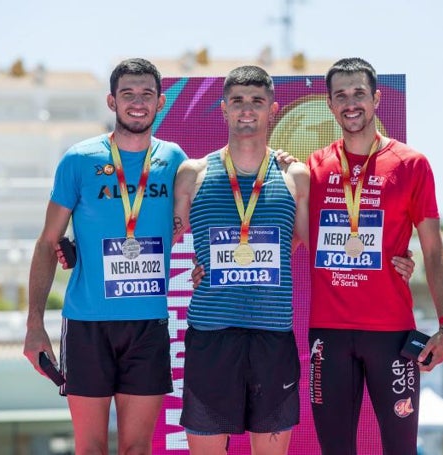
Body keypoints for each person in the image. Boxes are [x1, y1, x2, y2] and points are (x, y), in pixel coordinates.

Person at [23, 58, 187, 455]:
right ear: (111, 101)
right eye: (127, 94)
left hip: (147, 324)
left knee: (136, 448)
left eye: (147, 94)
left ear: (161, 102)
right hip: (87, 324)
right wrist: (34, 325)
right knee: (91, 447)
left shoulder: (177, 160)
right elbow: (48, 242)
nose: (137, 102)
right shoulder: (79, 160)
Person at [307, 57, 443, 454]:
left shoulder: (411, 164)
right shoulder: (312, 168)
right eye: (341, 95)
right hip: (329, 334)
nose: (350, 103)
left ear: (377, 99)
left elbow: (434, 250)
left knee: (401, 449)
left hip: (391, 333)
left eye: (359, 93)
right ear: (330, 104)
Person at [172, 65, 310, 455]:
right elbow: (159, 238)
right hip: (211, 336)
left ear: (273, 109)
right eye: (237, 101)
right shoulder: (192, 173)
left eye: (256, 101)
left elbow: (305, 245)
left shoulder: (295, 176)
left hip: (272, 337)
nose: (246, 110)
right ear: (223, 110)